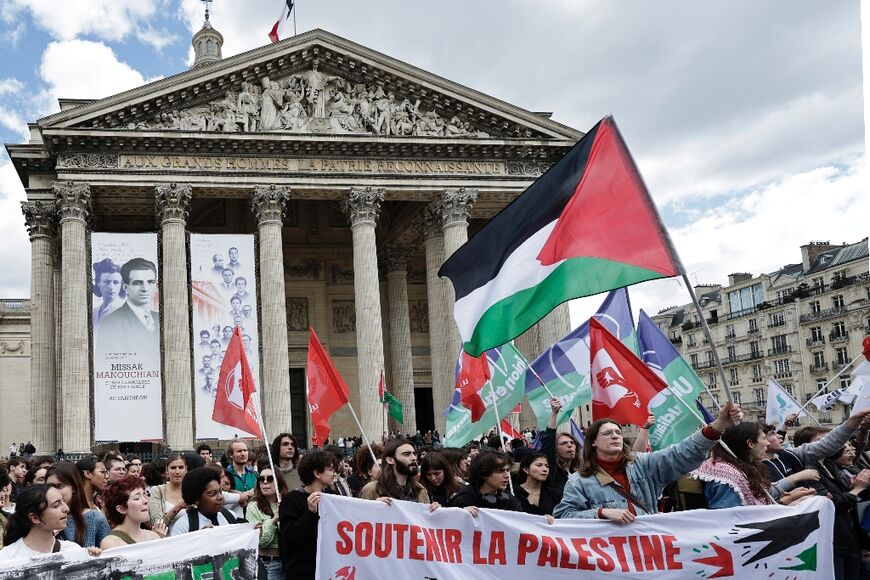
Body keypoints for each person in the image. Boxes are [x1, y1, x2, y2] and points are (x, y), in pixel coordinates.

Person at [554, 402, 743, 521]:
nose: (615, 436)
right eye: (607, 433)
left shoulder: (642, 465)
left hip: (647, 552)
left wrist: (718, 425)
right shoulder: (579, 480)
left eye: (618, 432)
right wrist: (601, 513)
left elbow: (680, 454)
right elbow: (563, 515)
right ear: (593, 442)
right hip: (609, 559)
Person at [691, 421, 815, 508]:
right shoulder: (727, 478)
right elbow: (731, 521)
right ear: (750, 443)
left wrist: (787, 498)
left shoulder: (741, 467)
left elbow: (758, 495)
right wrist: (782, 505)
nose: (767, 443)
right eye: (763, 438)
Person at [0, 485, 98, 561]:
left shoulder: (72, 550)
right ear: (34, 517)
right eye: (56, 505)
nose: (66, 509)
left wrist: (95, 562)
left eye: (63, 502)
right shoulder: (7, 558)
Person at [279, 450, 335, 580]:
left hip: (328, 570)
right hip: (302, 573)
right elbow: (290, 537)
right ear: (317, 473)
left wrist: (377, 507)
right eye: (330, 470)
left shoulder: (333, 498)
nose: (334, 474)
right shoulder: (291, 500)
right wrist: (309, 513)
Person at [95, 257, 159, 356]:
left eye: (151, 282)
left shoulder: (160, 319)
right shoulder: (110, 323)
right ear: (125, 287)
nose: (145, 289)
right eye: (138, 283)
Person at [45, 462, 111, 547]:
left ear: (74, 487)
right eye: (49, 487)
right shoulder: (40, 519)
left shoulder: (96, 519)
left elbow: (107, 555)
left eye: (59, 486)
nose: (54, 491)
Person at [246, 460, 287, 579]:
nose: (264, 482)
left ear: (278, 482)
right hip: (267, 564)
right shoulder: (253, 506)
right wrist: (274, 520)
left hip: (288, 563)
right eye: (261, 479)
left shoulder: (287, 502)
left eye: (269, 479)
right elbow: (259, 542)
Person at [448, 450, 522, 515]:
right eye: (500, 471)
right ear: (484, 473)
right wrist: (459, 514)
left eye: (508, 470)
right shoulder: (461, 501)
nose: (507, 475)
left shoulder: (510, 500)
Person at [170, 467, 239, 535]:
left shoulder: (231, 517)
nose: (220, 497)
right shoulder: (184, 526)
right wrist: (199, 538)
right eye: (212, 493)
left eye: (220, 491)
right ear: (196, 499)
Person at [100, 475, 165, 548]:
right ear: (121, 509)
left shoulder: (154, 536)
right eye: (137, 498)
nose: (145, 501)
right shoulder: (111, 543)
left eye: (145, 495)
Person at [360, 439, 430, 504]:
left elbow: (425, 516)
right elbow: (361, 515)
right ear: (390, 460)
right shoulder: (372, 489)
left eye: (413, 453)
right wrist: (374, 507)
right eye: (406, 454)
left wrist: (435, 511)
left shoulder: (420, 490)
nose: (414, 458)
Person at [540, 399, 581, 492]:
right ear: (555, 449)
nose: (570, 445)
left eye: (572, 442)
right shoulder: (551, 470)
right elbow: (548, 442)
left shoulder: (578, 472)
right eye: (564, 443)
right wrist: (554, 414)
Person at [515, 452, 563, 516]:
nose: (545, 469)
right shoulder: (513, 493)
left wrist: (553, 518)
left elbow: (562, 515)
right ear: (526, 469)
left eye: (547, 466)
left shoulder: (555, 492)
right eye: (539, 465)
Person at [149, 452, 188, 528]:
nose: (177, 472)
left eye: (181, 467)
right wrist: (178, 507)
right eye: (173, 468)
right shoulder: (157, 491)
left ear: (186, 469)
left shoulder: (193, 489)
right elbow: (156, 523)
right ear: (167, 470)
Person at [91, 258, 125, 327]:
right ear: (98, 283)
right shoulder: (93, 313)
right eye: (106, 282)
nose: (111, 287)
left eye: (116, 282)